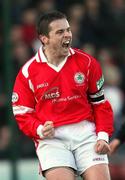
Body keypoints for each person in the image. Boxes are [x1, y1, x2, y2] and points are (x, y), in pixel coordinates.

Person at [12, 10, 114, 180]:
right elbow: (22, 113)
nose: (67, 35)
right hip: (52, 139)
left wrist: (103, 136)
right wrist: (39, 129)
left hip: (86, 135)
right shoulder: (28, 72)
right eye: (60, 32)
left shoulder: (87, 62)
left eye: (68, 30)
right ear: (44, 39)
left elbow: (100, 104)